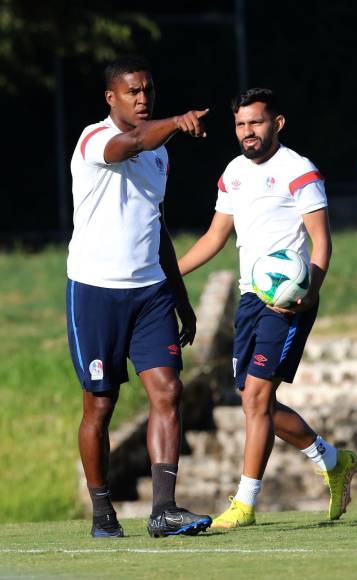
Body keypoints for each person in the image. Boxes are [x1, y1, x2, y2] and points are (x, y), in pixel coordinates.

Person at [178, 88, 357, 529]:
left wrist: (308, 292)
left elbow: (321, 241)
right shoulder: (233, 173)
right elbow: (214, 237)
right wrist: (168, 276)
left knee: (256, 397)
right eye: (240, 125)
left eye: (255, 123)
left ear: (276, 123)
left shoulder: (299, 171)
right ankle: (332, 460)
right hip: (248, 298)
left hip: (286, 303)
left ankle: (245, 503)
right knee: (253, 401)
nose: (247, 132)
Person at [67, 55, 213, 538]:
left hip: (150, 292)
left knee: (168, 391)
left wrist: (181, 297)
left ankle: (164, 509)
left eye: (149, 89)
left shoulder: (160, 152)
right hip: (95, 292)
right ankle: (102, 510)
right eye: (133, 91)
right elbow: (128, 143)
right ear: (112, 98)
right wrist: (175, 122)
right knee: (100, 406)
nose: (143, 98)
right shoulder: (94, 139)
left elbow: (158, 226)